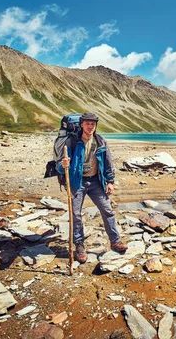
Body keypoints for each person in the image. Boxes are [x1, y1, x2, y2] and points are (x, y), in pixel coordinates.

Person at [57, 112, 127, 263]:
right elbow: (60, 165)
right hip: (77, 182)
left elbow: (108, 163)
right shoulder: (72, 141)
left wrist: (110, 181)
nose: (90, 126)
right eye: (87, 123)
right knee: (75, 214)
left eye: (93, 124)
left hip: (96, 182)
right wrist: (63, 165)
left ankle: (115, 241)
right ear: (81, 124)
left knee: (107, 210)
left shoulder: (100, 141)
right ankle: (79, 245)